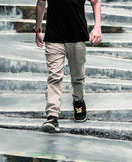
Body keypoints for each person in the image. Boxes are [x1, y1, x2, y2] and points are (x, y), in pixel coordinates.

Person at [34, 0, 102, 132]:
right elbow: (41, 3)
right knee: (54, 77)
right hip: (54, 37)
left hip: (77, 37)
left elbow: (95, 2)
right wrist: (37, 29)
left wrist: (97, 27)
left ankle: (78, 101)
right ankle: (52, 116)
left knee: (77, 76)